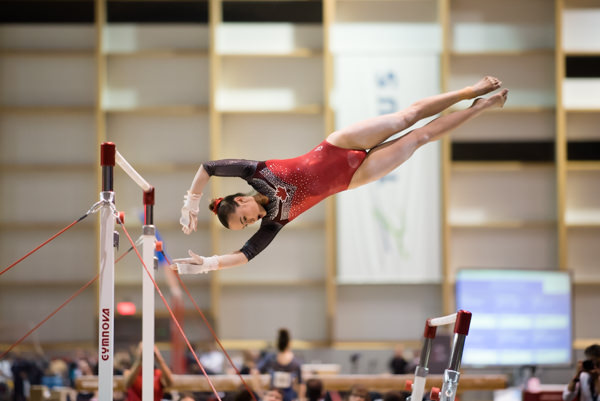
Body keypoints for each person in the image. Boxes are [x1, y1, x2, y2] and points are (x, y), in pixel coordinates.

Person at [172, 77, 508, 274]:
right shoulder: (275, 221)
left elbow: (209, 167)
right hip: (355, 176)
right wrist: (210, 264)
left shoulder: (254, 172)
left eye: (243, 218)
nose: (251, 222)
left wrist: (192, 201)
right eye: (246, 226)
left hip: (338, 145)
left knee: (407, 117)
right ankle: (480, 107)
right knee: (420, 137)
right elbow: (246, 255)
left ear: (240, 199)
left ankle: (468, 91)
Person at [257, 329, 303, 401]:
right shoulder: (295, 361)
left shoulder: (272, 358)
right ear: (289, 343)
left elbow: (255, 371)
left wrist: (259, 392)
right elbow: (301, 383)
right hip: (280, 395)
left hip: (281, 395)